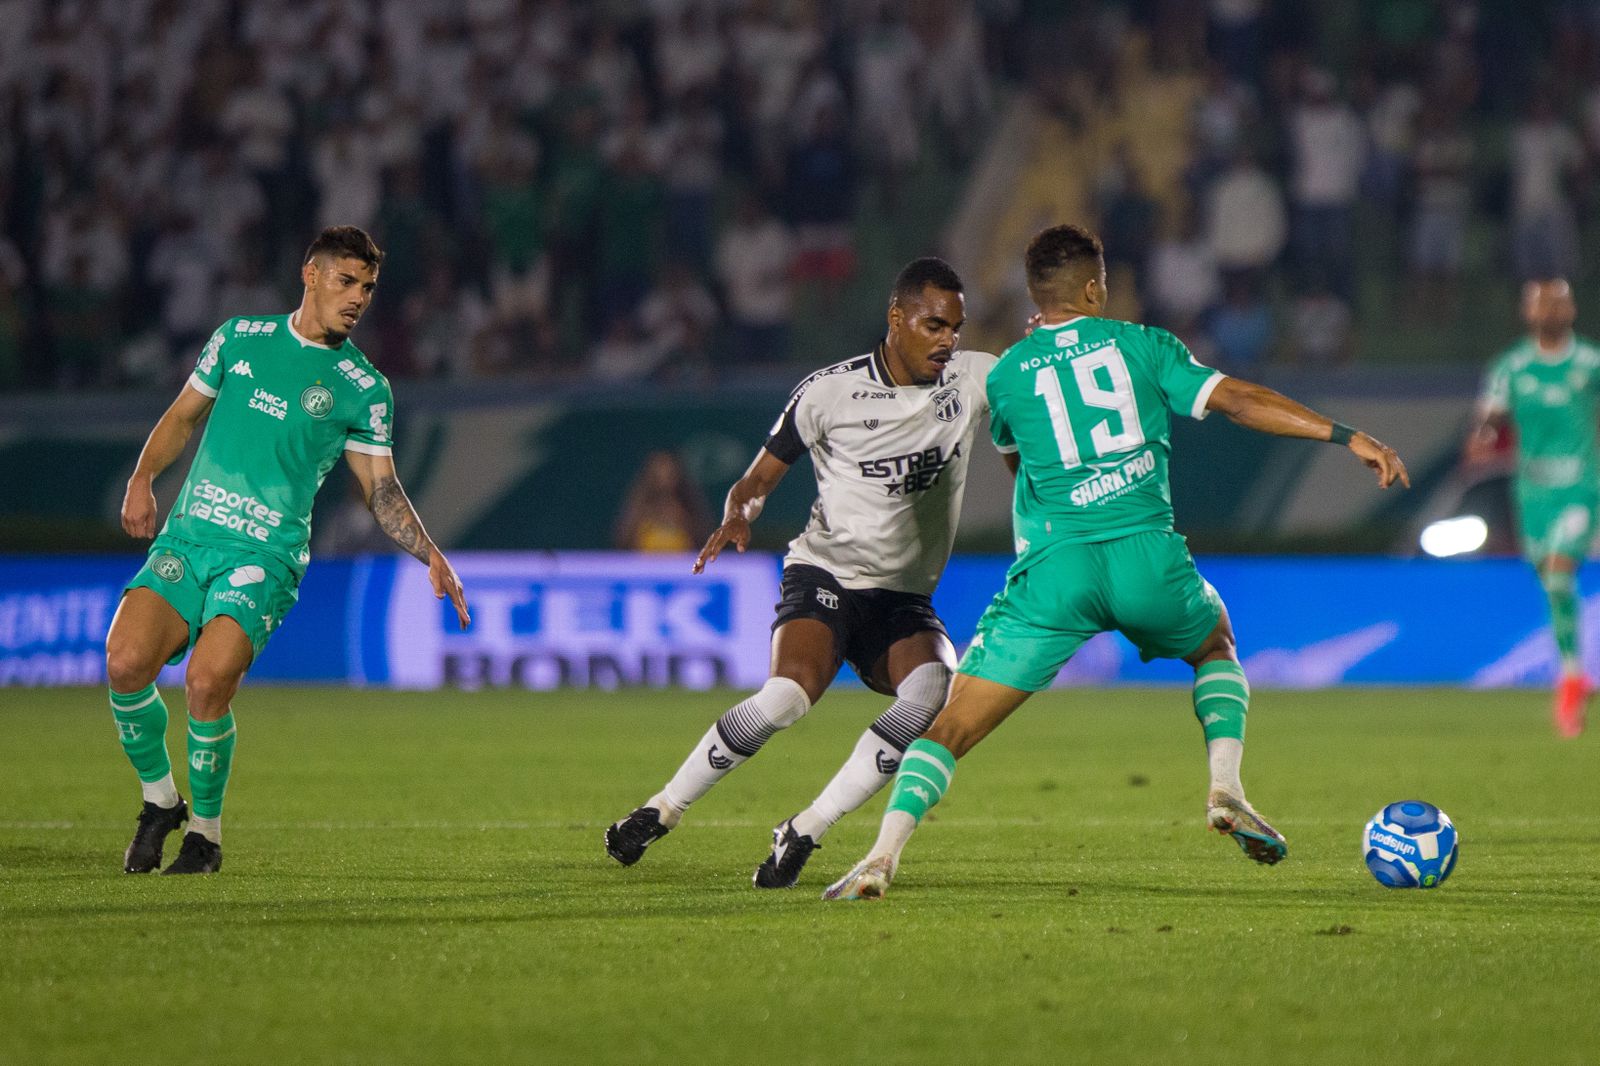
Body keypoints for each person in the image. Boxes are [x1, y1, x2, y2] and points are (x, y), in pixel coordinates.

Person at [823, 224, 1409, 901]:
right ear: (1097, 288)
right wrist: (1344, 435)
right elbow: (1240, 402)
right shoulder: (1145, 346)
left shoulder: (1008, 376)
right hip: (1146, 558)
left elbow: (1020, 465)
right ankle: (1225, 787)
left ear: (1035, 294)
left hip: (1054, 575)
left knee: (952, 725)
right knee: (1215, 642)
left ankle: (880, 857)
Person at [604, 258, 998, 888]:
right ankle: (663, 808)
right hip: (827, 573)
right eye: (933, 325)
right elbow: (757, 481)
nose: (948, 340)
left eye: (955, 326)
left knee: (930, 694)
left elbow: (1040, 402)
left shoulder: (975, 379)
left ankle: (806, 828)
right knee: (788, 696)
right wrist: (739, 513)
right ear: (896, 320)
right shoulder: (828, 393)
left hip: (902, 598)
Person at [106, 226, 472, 876]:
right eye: (346, 281)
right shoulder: (239, 338)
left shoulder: (363, 387)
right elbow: (183, 416)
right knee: (126, 662)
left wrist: (430, 554)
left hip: (264, 557)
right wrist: (142, 477)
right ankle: (160, 803)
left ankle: (207, 839)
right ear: (311, 274)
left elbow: (380, 490)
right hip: (190, 537)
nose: (358, 297)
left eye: (368, 287)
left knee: (207, 681)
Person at [1466, 279, 1599, 737]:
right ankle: (1573, 672)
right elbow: (1490, 418)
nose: (1550, 309)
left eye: (1558, 301)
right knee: (1549, 579)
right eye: (1541, 303)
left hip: (1580, 487)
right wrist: (1482, 434)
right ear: (1528, 312)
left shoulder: (1590, 363)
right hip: (1533, 493)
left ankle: (1571, 678)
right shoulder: (1510, 366)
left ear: (1572, 309)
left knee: (1561, 572)